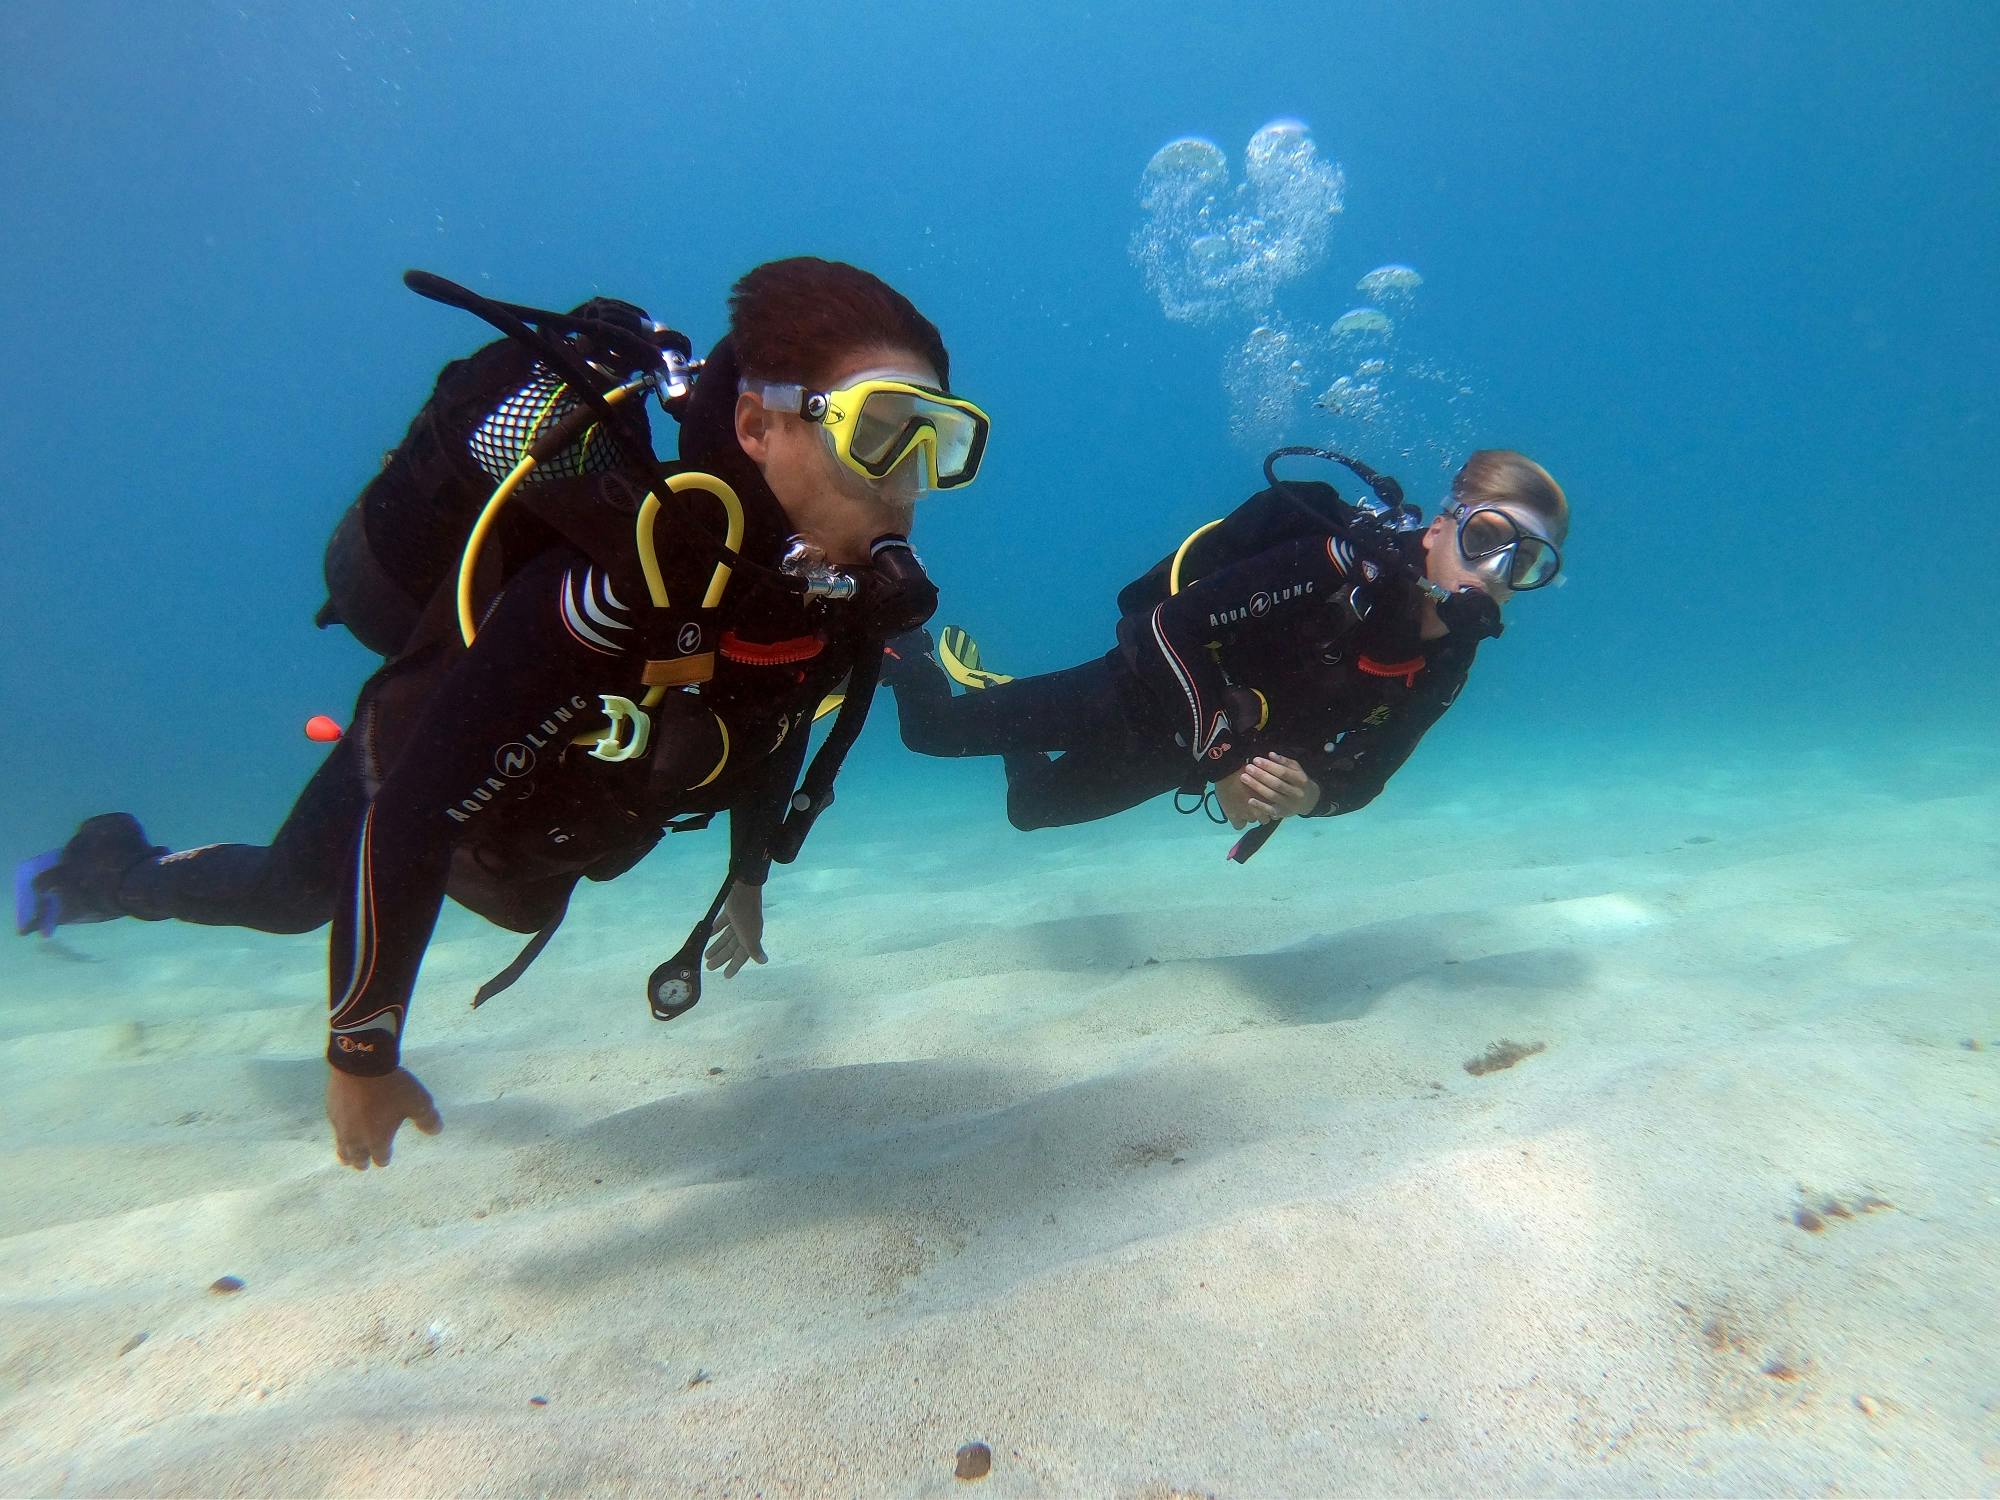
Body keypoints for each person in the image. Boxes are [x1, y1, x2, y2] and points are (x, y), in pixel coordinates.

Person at [14, 257, 991, 1170]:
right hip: (413, 762)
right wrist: (363, 1051)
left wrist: (746, 877)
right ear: (754, 427)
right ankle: (108, 868)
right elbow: (409, 814)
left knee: (475, 884)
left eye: (937, 442)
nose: (905, 478)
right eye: (877, 430)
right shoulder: (621, 582)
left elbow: (773, 730)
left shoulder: (832, 601)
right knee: (286, 894)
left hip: (548, 826)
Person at [884, 448, 1565, 850]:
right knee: (928, 733)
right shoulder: (1337, 564)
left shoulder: (1448, 660)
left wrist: (1308, 795)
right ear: (1439, 529)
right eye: (1485, 539)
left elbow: (1370, 774)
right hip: (1136, 692)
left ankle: (1004, 707)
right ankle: (901, 646)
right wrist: (1227, 762)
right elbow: (1155, 630)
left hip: (1182, 760)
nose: (1496, 573)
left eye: (1527, 563)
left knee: (1027, 811)